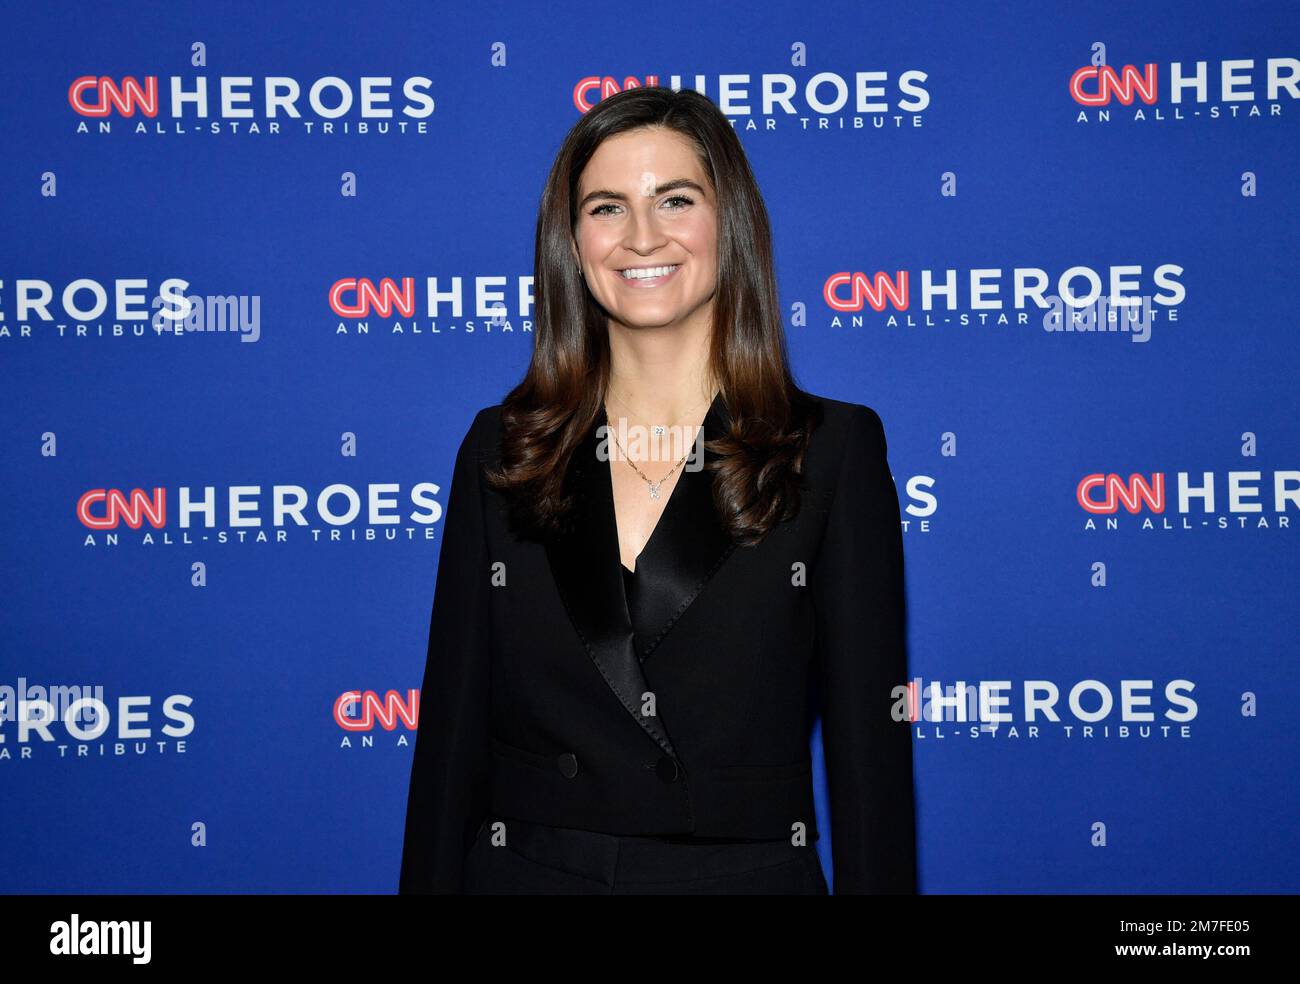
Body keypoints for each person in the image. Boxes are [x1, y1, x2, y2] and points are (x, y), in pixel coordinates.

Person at [399, 86, 916, 895]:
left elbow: (868, 758)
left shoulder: (830, 451)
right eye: (606, 208)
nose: (642, 236)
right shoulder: (502, 450)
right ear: (570, 242)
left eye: (675, 199)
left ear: (729, 224)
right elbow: (451, 742)